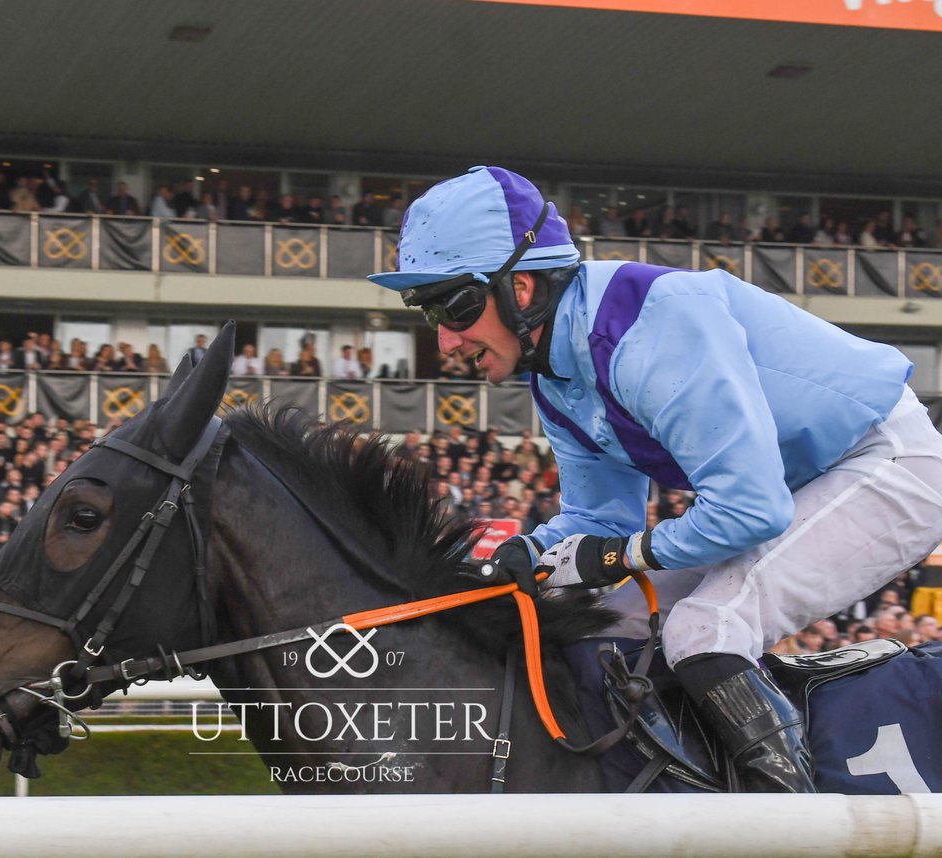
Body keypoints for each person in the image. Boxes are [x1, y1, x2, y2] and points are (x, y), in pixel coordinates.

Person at [369, 165, 942, 793]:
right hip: (793, 489)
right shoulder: (554, 375)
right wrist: (525, 553)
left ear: (522, 289)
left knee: (706, 629)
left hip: (884, 463)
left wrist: (618, 554)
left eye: (456, 307)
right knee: (604, 627)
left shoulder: (653, 326)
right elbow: (597, 522)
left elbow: (749, 512)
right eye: (430, 313)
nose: (446, 341)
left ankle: (791, 821)